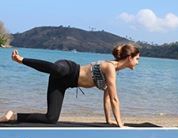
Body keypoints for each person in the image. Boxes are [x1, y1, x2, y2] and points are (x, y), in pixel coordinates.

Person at [1, 44, 141, 126]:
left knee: (51, 119)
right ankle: (21, 60)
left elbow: (108, 99)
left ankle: (12, 116)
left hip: (64, 83)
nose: (138, 62)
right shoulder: (110, 67)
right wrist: (121, 124)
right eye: (137, 59)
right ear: (129, 58)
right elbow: (115, 99)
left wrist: (109, 121)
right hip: (68, 68)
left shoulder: (114, 72)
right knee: (58, 69)